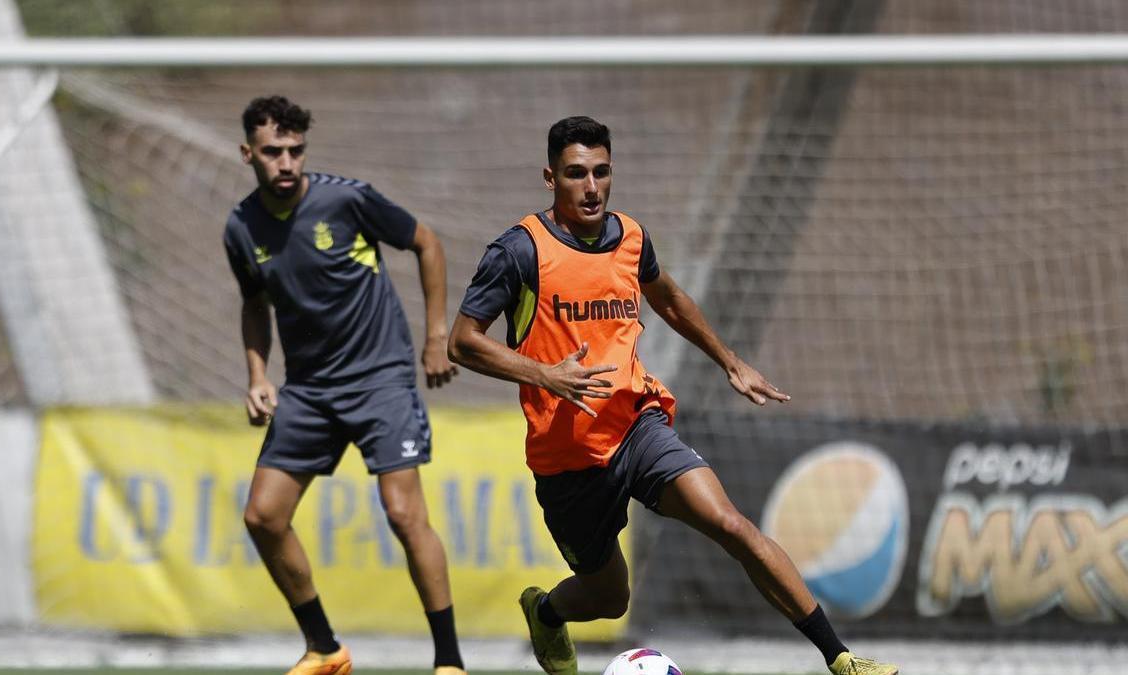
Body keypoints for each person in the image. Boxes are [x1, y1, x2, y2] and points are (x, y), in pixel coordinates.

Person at [447, 116, 898, 675]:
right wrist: (546, 375)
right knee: (610, 598)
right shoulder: (519, 252)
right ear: (550, 178)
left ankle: (842, 658)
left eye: (601, 172)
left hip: (637, 425)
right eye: (576, 174)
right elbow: (462, 342)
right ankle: (546, 611)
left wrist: (732, 362)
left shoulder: (630, 237)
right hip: (568, 458)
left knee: (731, 524)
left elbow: (670, 298)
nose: (591, 187)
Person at [223, 95, 465, 675]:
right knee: (262, 517)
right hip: (308, 389)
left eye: (295, 151)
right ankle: (325, 649)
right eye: (273, 152)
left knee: (404, 514)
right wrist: (257, 374)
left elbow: (426, 242)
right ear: (248, 153)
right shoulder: (241, 227)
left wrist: (435, 337)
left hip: (380, 378)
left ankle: (450, 663)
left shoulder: (348, 199)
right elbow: (254, 305)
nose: (286, 162)